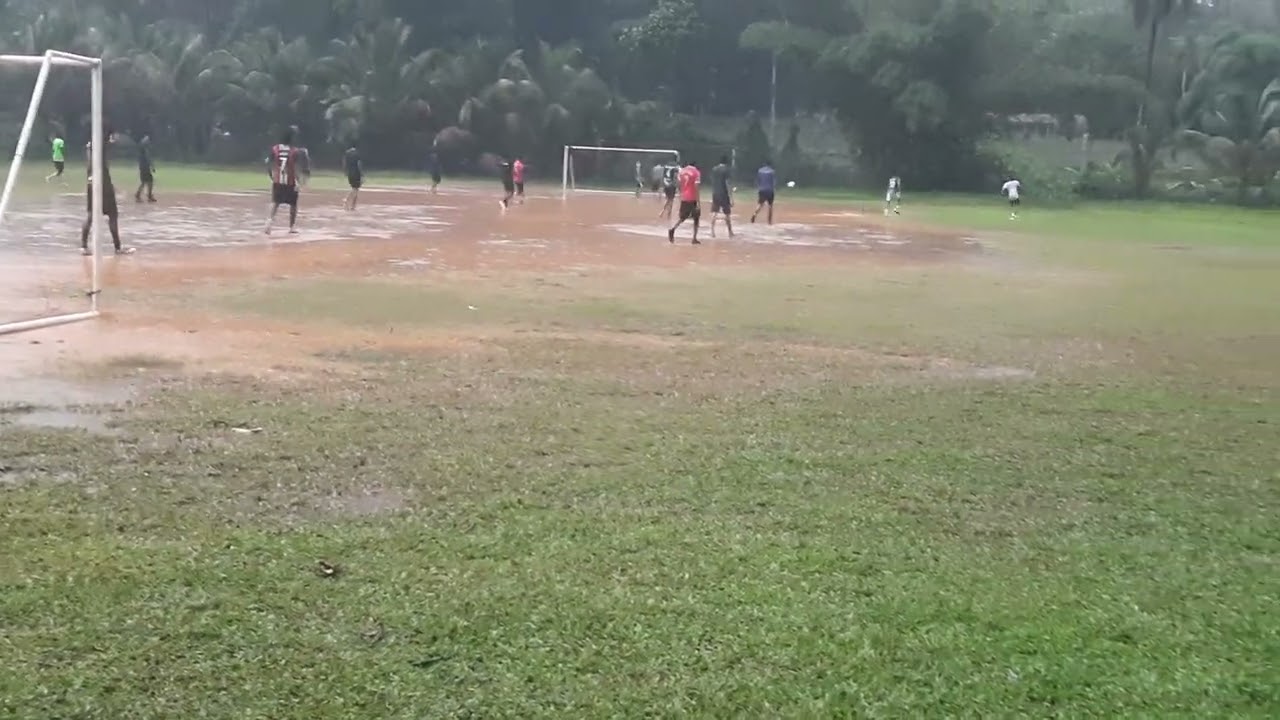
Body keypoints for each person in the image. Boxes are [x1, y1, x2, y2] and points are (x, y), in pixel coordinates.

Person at [80, 134, 132, 255]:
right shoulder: (99, 153)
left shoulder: (90, 155)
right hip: (103, 186)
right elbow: (108, 145)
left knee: (91, 215)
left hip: (92, 184)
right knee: (112, 215)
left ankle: (83, 246)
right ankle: (118, 248)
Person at [264, 129, 303, 235]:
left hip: (277, 180)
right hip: (290, 181)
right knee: (293, 204)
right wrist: (298, 182)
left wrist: (271, 176)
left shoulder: (274, 149)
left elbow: (268, 163)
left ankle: (268, 223)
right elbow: (296, 167)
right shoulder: (295, 151)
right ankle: (292, 227)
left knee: (275, 202)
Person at [667, 160, 702, 245]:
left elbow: (678, 183)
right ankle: (694, 238)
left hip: (684, 197)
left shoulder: (682, 171)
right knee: (696, 218)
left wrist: (681, 193)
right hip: (692, 198)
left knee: (682, 217)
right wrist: (698, 201)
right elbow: (696, 187)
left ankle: (673, 229)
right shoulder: (696, 172)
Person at [709, 155, 734, 239]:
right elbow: (728, 183)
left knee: (714, 212)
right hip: (724, 194)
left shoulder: (714, 169)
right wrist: (731, 197)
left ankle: (712, 232)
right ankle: (730, 232)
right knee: (727, 213)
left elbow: (713, 181)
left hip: (715, 193)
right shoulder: (726, 170)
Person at [751, 160, 776, 225]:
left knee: (760, 204)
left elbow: (758, 180)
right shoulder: (772, 171)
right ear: (770, 165)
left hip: (761, 189)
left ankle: (754, 214)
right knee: (770, 206)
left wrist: (758, 187)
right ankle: (769, 222)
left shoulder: (760, 171)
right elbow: (773, 182)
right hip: (770, 190)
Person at [343, 141, 363, 211]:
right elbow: (359, 164)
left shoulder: (347, 153)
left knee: (354, 189)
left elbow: (344, 163)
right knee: (355, 189)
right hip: (356, 173)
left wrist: (345, 171)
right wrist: (361, 174)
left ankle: (353, 206)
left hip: (350, 173)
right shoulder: (357, 153)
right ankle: (349, 202)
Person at [134, 134, 156, 203]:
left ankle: (141, 195)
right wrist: (152, 166)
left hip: (142, 167)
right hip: (145, 167)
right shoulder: (145, 149)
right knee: (149, 181)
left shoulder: (142, 148)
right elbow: (148, 158)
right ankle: (147, 196)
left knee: (145, 182)